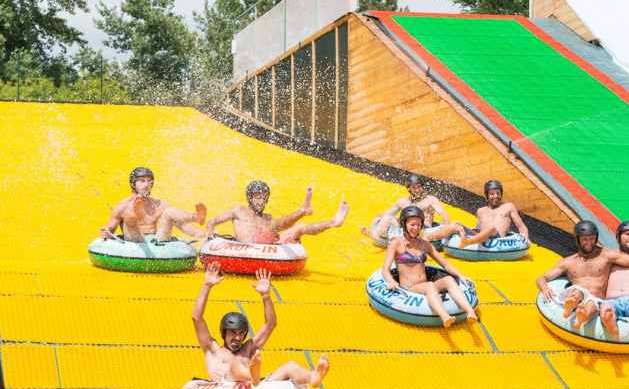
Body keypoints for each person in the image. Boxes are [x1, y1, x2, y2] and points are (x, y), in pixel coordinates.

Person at [192, 261, 329, 389]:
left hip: (255, 388)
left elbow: (270, 324)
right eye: (233, 333)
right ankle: (252, 374)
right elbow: (197, 318)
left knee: (291, 366)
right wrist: (207, 286)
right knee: (233, 363)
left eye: (241, 333)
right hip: (226, 386)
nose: (238, 338)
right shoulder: (212, 348)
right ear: (224, 333)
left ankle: (313, 377)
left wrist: (266, 295)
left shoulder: (249, 347)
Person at [536, 220, 629, 337]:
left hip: (596, 300)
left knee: (591, 305)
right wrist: (545, 288)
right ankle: (571, 304)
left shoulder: (605, 255)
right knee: (577, 292)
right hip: (577, 294)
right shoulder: (569, 262)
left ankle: (581, 316)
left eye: (592, 239)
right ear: (578, 240)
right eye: (585, 239)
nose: (589, 242)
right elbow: (542, 277)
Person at [383, 205, 478, 328]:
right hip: (409, 288)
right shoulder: (396, 244)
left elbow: (444, 263)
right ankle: (445, 316)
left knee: (448, 280)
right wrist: (391, 281)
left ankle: (470, 312)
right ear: (404, 224)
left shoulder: (424, 244)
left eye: (418, 225)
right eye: (412, 225)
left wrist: (461, 276)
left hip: (425, 286)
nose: (416, 228)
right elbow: (385, 270)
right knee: (430, 286)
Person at [205, 181, 348, 244]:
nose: (261, 202)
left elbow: (277, 230)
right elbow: (213, 222)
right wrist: (210, 237)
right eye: (257, 198)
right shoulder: (239, 210)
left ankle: (333, 222)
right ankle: (302, 210)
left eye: (264, 198)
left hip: (266, 246)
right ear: (250, 198)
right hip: (248, 246)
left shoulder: (267, 217)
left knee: (300, 227)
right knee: (273, 227)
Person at [100, 166, 207, 242]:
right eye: (142, 181)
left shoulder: (158, 204)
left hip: (156, 241)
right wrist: (106, 232)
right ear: (133, 183)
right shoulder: (123, 206)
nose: (146, 185)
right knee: (130, 216)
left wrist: (201, 234)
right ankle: (137, 213)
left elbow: (182, 224)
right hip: (135, 240)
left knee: (169, 212)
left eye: (149, 181)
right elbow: (110, 229)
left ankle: (195, 217)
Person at [361, 174, 463, 244]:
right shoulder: (403, 201)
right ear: (409, 189)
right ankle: (379, 237)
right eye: (414, 188)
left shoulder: (430, 200)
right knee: (387, 218)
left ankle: (384, 239)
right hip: (405, 228)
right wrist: (378, 218)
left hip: (423, 229)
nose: (417, 190)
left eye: (419, 187)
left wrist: (446, 229)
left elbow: (445, 216)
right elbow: (388, 213)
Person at [457, 180, 530, 248]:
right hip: (483, 239)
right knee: (457, 224)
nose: (496, 196)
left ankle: (468, 242)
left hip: (497, 239)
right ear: (487, 196)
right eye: (492, 194)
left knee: (492, 228)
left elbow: (521, 227)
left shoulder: (509, 207)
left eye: (498, 193)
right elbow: (478, 230)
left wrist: (525, 237)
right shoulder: (481, 211)